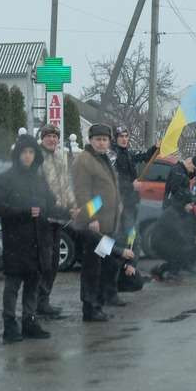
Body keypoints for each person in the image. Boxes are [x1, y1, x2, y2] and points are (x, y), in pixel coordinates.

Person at [0, 134, 68, 343]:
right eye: (24, 152)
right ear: (18, 154)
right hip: (16, 241)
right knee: (13, 285)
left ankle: (29, 322)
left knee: (33, 283)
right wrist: (22, 212)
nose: (28, 156)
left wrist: (69, 212)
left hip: (38, 241)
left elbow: (50, 206)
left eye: (31, 152)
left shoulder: (39, 180)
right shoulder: (5, 178)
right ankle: (9, 325)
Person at [72, 124, 122, 322]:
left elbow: (108, 190)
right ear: (90, 140)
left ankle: (99, 304)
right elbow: (82, 192)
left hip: (107, 225)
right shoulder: (84, 160)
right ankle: (90, 308)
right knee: (92, 267)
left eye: (105, 139)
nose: (102, 143)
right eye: (98, 139)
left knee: (104, 264)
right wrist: (91, 217)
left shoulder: (103, 159)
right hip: (94, 227)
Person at [36, 124, 79, 320]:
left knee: (53, 262)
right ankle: (36, 302)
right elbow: (38, 188)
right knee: (44, 262)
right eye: (49, 136)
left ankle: (44, 300)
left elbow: (66, 186)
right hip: (43, 217)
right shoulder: (37, 159)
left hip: (59, 217)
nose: (52, 140)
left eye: (55, 136)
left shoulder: (61, 158)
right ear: (42, 138)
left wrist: (73, 205)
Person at [110, 125, 158, 236]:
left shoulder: (127, 153)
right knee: (122, 232)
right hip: (119, 202)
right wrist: (132, 186)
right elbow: (113, 180)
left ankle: (129, 245)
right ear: (116, 138)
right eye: (121, 136)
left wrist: (155, 147)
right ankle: (126, 245)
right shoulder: (112, 155)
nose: (124, 139)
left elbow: (144, 157)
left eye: (126, 136)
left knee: (130, 231)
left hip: (130, 200)